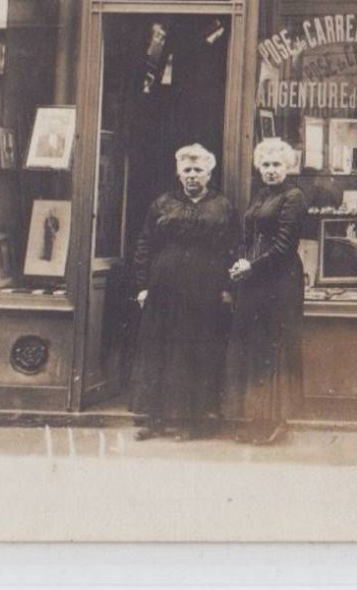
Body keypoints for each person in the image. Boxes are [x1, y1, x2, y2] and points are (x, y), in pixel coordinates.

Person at [129, 144, 240, 442]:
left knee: (194, 352)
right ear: (178, 173)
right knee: (159, 349)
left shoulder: (222, 206)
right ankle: (155, 419)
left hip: (204, 286)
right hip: (164, 285)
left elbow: (233, 249)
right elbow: (144, 245)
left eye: (198, 170)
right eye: (187, 170)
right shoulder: (163, 204)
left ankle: (190, 421)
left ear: (209, 173)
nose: (192, 176)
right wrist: (142, 286)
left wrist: (228, 288)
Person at [223, 137, 307, 445]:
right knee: (254, 349)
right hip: (255, 279)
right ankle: (257, 417)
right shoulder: (260, 196)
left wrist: (251, 267)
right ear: (259, 168)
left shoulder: (293, 197)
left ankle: (275, 421)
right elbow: (249, 237)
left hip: (280, 280)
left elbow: (284, 247)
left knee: (274, 347)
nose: (271, 170)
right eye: (266, 165)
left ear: (288, 167)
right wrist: (242, 261)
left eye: (277, 165)